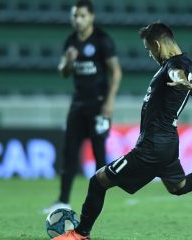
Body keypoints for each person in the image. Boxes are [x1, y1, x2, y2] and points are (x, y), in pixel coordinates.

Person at [53, 22, 192, 240]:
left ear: (158, 45)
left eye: (149, 50)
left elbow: (175, 74)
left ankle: (80, 233)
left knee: (98, 180)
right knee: (179, 186)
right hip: (168, 143)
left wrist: (179, 80)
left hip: (152, 145)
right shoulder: (185, 66)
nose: (150, 55)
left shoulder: (174, 66)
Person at [43, 0, 122, 214]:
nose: (77, 20)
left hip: (98, 104)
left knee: (98, 153)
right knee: (69, 152)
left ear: (91, 17)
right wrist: (68, 61)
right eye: (75, 16)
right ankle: (62, 201)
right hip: (78, 104)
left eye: (82, 16)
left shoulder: (102, 40)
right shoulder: (71, 41)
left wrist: (109, 101)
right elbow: (63, 71)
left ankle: (99, 199)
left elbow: (116, 71)